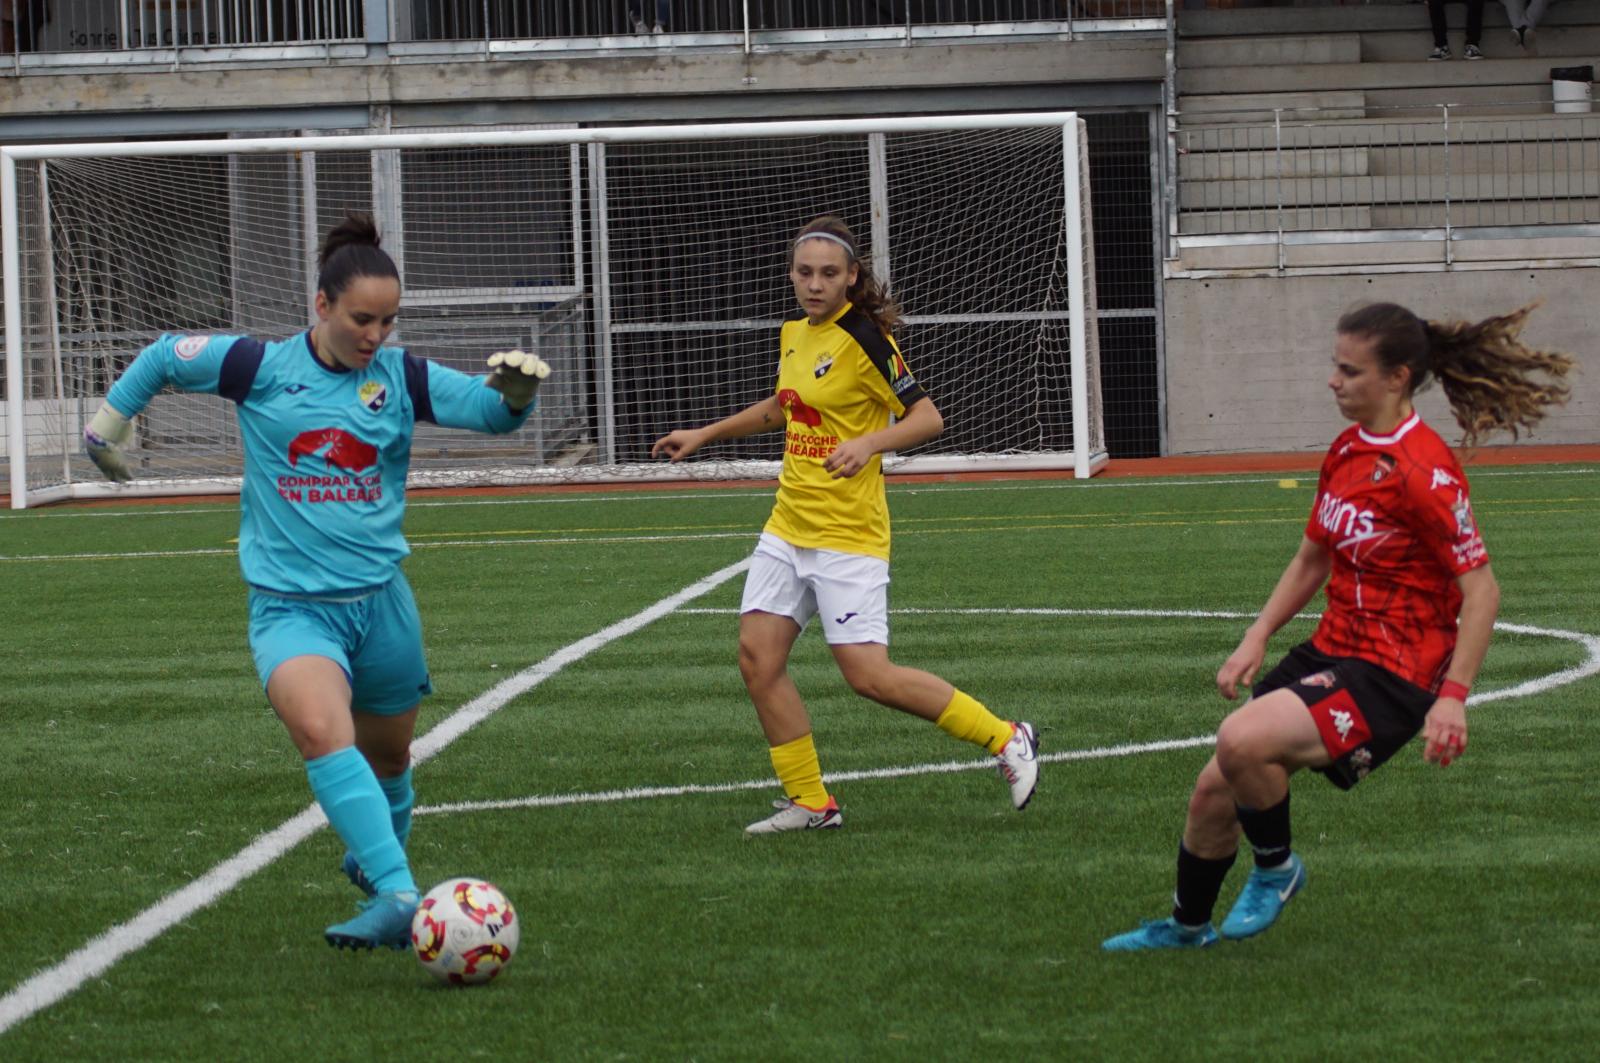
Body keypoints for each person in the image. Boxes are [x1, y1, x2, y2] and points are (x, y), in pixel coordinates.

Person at [82, 212, 551, 950]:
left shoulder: (401, 377)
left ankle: (374, 864)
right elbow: (166, 354)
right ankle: (400, 893)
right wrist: (106, 426)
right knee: (320, 731)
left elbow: (493, 416)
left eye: (389, 321)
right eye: (363, 318)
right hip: (292, 609)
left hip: (383, 607)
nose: (375, 335)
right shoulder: (259, 368)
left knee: (391, 757)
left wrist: (514, 393)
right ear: (321, 305)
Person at [1103, 301, 1573, 952]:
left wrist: (1454, 699)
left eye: (1349, 371)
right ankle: (1186, 927)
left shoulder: (1424, 472)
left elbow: (1482, 589)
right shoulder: (1348, 449)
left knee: (1241, 739)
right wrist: (1257, 634)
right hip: (1335, 648)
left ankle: (1278, 869)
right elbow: (1314, 555)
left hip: (1393, 673)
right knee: (1216, 784)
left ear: (1397, 378)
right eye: (1335, 366)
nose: (1333, 380)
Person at [650, 215, 1039, 834]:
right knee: (758, 660)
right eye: (805, 272)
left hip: (847, 534)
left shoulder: (864, 337)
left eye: (829, 273)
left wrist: (870, 444)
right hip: (788, 525)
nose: (815, 284)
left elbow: (928, 418)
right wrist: (706, 434)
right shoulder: (795, 334)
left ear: (852, 277)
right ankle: (812, 803)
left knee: (869, 678)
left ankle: (1006, 737)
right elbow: (785, 408)